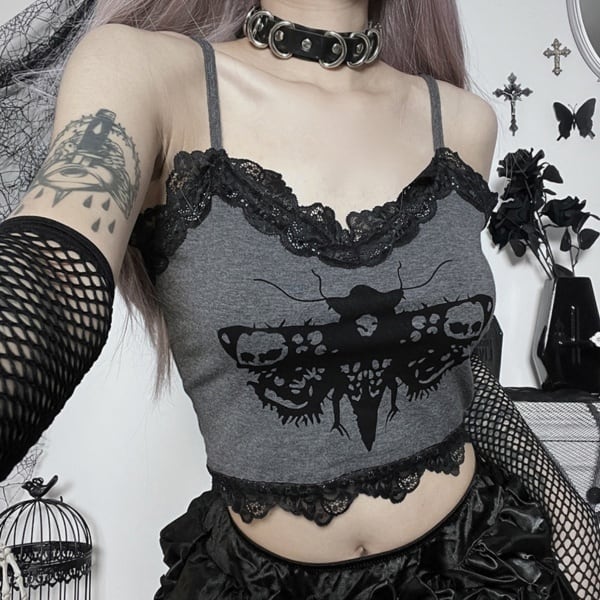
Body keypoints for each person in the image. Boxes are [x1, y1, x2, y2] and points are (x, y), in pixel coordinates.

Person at [0, 1, 599, 598]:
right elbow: (54, 271)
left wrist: (565, 513)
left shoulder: (464, 121)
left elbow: (444, 371)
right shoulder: (143, 72)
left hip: (472, 568)